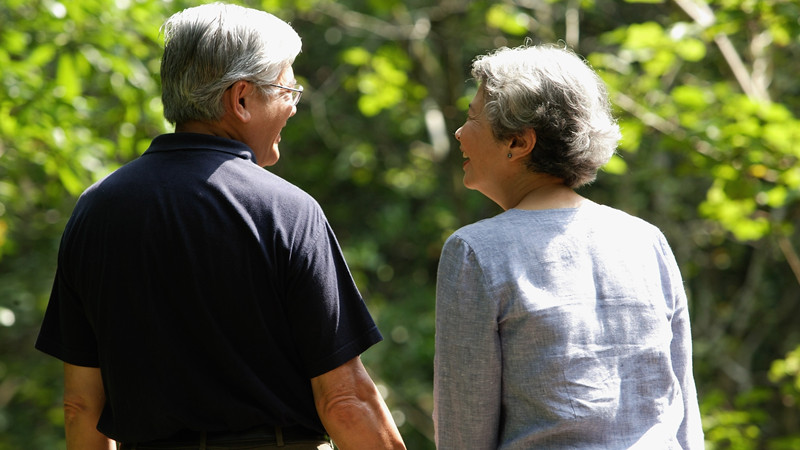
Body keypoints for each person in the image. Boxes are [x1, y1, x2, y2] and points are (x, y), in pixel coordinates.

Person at [35, 3, 405, 449]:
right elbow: (344, 399)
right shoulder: (287, 211)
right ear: (242, 98)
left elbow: (81, 406)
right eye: (288, 89)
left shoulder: (95, 211)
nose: (293, 107)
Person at [433, 44, 704, 449]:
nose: (459, 132)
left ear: (519, 142)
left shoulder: (475, 251)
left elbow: (464, 428)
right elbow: (684, 414)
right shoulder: (646, 240)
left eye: (472, 118)